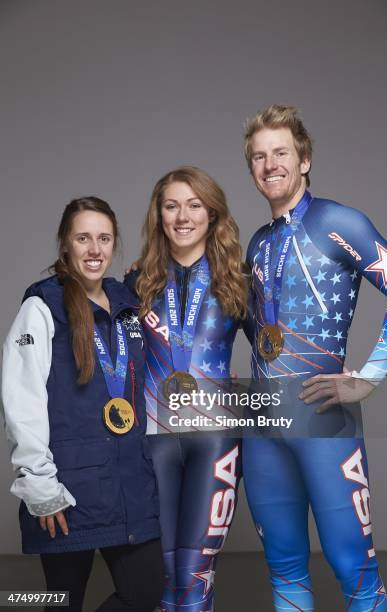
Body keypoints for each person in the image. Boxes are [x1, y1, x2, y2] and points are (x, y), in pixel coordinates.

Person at [243, 105, 387, 610]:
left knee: (353, 569)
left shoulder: (337, 220)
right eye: (258, 157)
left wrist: (369, 378)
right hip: (264, 427)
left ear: (305, 159)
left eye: (281, 153)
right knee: (285, 571)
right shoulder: (257, 243)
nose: (270, 164)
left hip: (324, 423)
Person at [2, 197, 164, 612]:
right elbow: (22, 398)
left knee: (145, 592)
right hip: (67, 493)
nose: (95, 249)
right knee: (60, 602)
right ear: (65, 244)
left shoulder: (127, 304)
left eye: (104, 238)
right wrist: (39, 485)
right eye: (83, 238)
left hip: (129, 486)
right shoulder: (41, 308)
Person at [125, 166, 251, 611]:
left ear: (212, 214)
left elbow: (276, 355)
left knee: (195, 577)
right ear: (158, 215)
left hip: (214, 441)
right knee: (158, 579)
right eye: (171, 205)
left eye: (194, 205)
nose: (183, 216)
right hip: (151, 440)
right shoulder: (135, 283)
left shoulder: (238, 280)